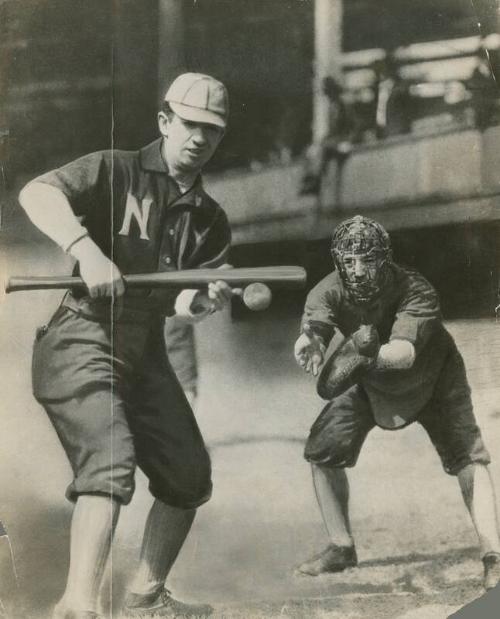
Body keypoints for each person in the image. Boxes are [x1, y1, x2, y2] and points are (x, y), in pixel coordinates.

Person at [18, 72, 233, 619]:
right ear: (164, 121)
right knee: (111, 463)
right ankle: (77, 606)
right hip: (80, 338)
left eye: (212, 129)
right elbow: (35, 191)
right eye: (189, 124)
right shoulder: (115, 168)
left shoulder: (210, 219)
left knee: (188, 474)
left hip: (145, 350)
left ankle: (144, 597)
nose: (199, 138)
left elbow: (181, 303)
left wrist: (199, 303)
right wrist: (86, 251)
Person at [293, 215, 500, 590]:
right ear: (338, 260)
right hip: (368, 379)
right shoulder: (326, 290)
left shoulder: (414, 288)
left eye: (368, 259)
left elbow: (404, 353)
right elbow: (317, 326)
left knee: (469, 456)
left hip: (434, 375)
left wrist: (359, 358)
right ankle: (341, 545)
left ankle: (494, 555)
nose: (358, 270)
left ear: (385, 258)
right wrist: (310, 342)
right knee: (321, 449)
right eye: (350, 261)